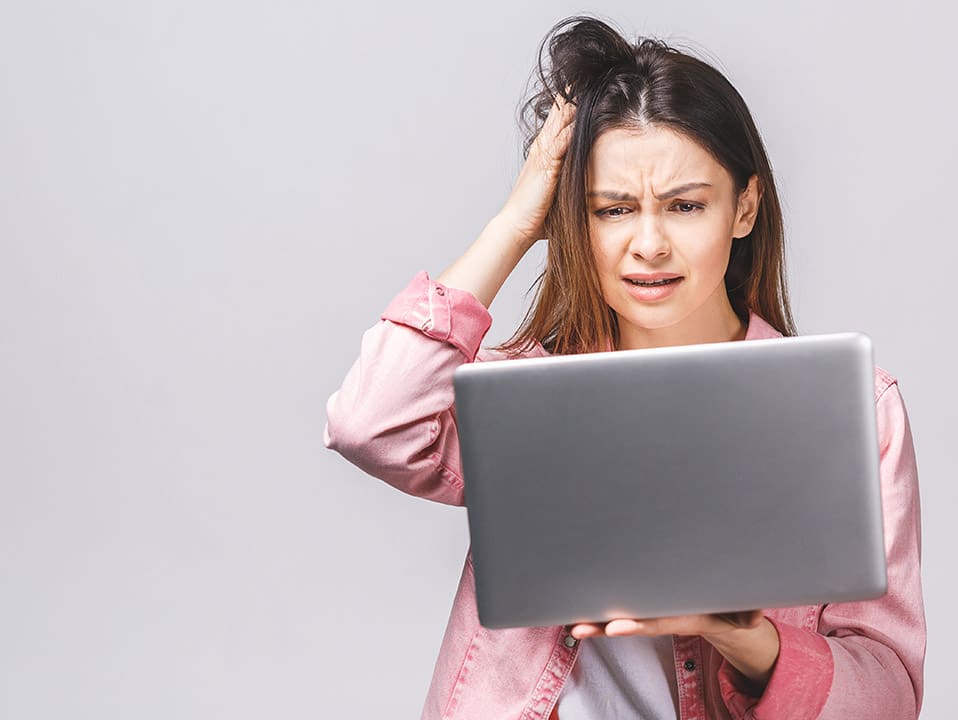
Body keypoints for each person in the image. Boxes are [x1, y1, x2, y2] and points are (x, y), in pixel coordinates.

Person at [323, 15, 925, 720]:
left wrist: (748, 641)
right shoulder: (521, 400)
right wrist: (516, 223)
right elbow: (372, 425)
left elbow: (887, 696)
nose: (649, 245)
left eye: (686, 206)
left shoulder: (853, 412)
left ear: (745, 207)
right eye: (611, 209)